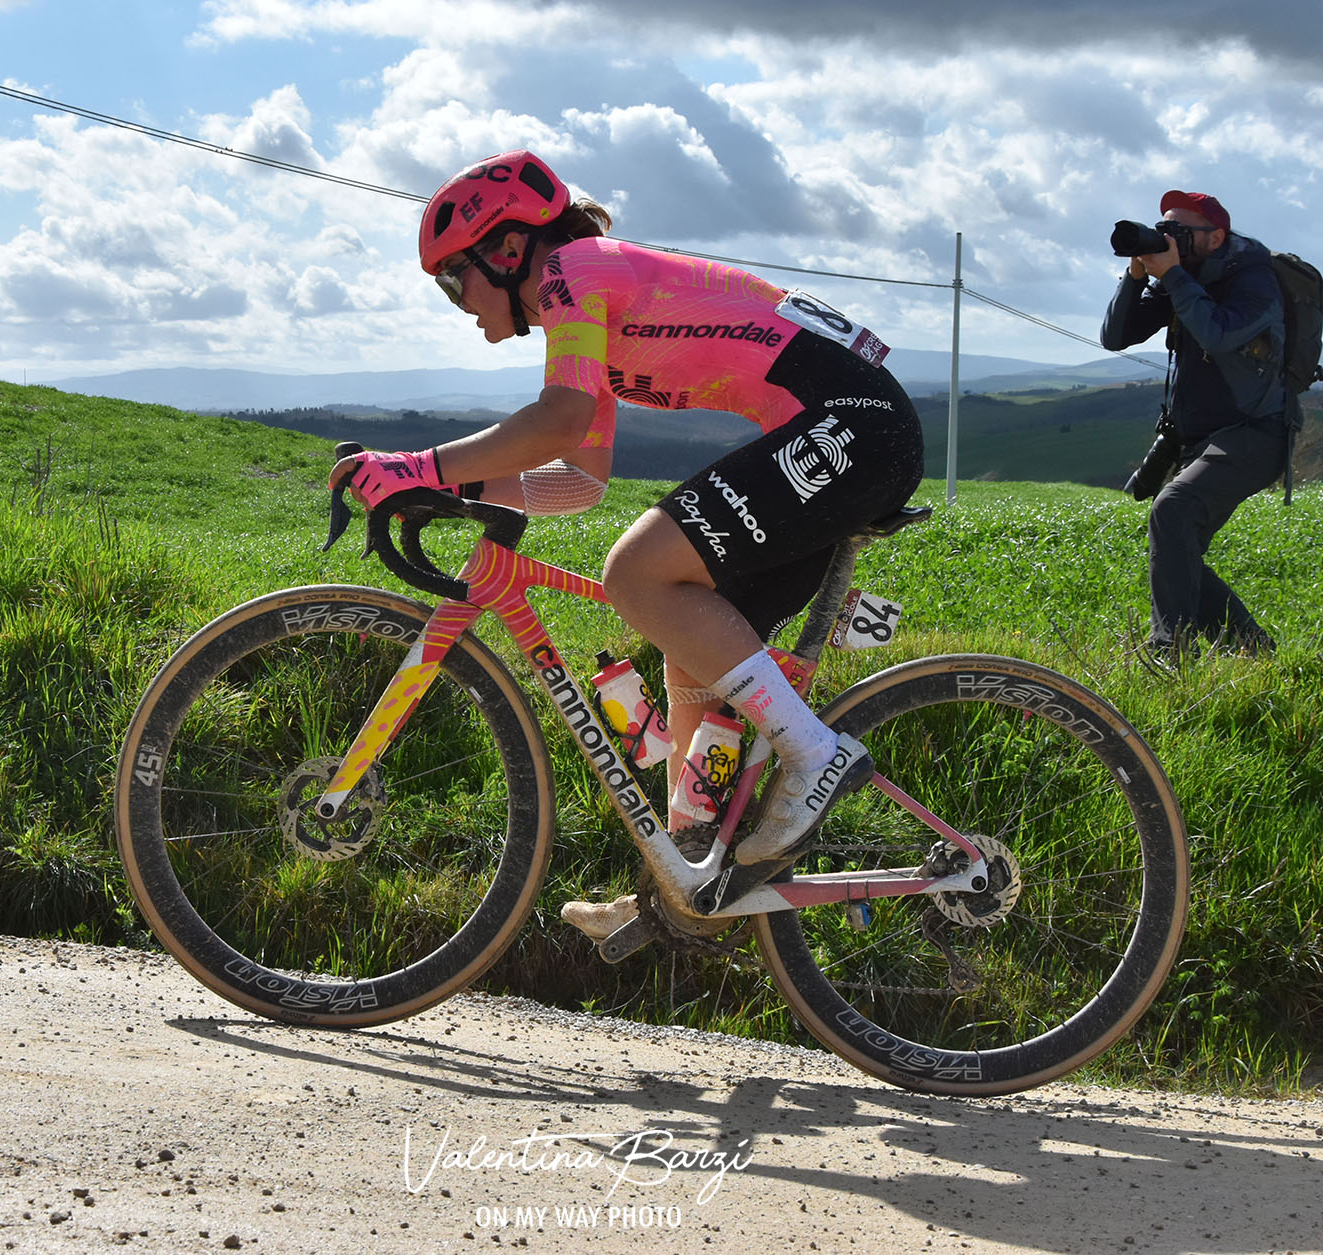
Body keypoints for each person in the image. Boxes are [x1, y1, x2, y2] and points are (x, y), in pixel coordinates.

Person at [328, 149, 923, 941]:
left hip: (854, 422)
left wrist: (415, 465)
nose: (455, 302)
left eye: (452, 279)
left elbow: (557, 421)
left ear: (505, 252)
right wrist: (451, 489)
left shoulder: (573, 270)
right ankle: (684, 874)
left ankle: (813, 756)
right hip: (851, 428)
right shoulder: (584, 302)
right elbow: (579, 477)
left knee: (636, 572)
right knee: (691, 643)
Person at [1101, 189, 1286, 658]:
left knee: (1172, 512)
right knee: (1178, 547)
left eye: (1180, 231)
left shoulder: (1255, 279)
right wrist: (1136, 275)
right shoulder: (1182, 278)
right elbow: (1115, 337)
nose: (1170, 239)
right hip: (1198, 438)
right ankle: (1254, 649)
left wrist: (1176, 276)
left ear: (1216, 236)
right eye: (1165, 229)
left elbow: (1218, 333)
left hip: (1255, 434)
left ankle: (1170, 650)